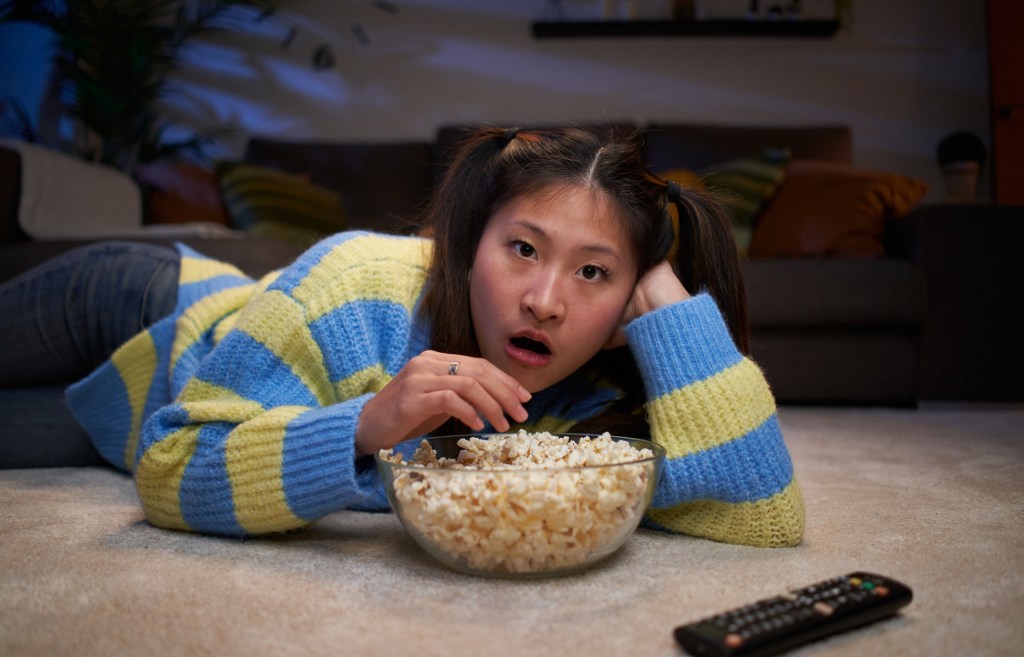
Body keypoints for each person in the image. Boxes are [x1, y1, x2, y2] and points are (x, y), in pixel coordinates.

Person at [0, 124, 804, 546]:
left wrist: (669, 306)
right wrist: (369, 424)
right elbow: (176, 465)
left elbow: (762, 518)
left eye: (595, 273)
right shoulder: (356, 280)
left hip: (136, 416)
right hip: (142, 308)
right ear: (470, 242)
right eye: (521, 249)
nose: (546, 301)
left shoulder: (595, 399)